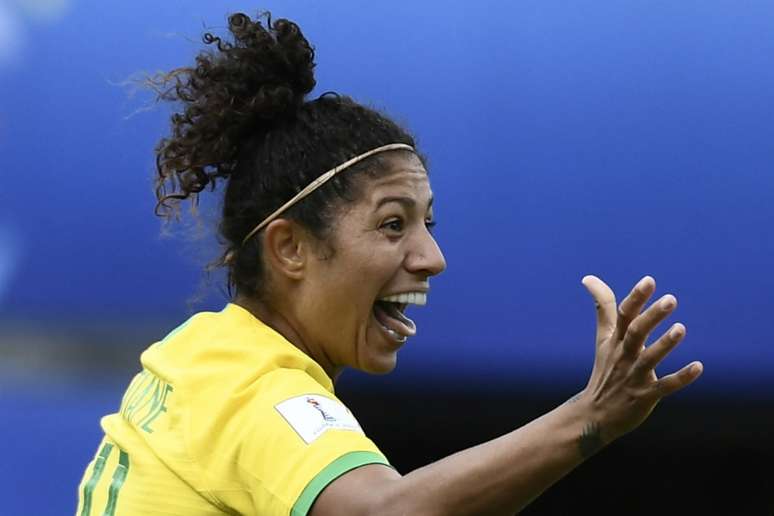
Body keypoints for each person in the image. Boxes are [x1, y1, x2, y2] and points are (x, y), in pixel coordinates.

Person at [75, 11, 703, 516]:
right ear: (289, 247)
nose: (432, 258)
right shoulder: (257, 392)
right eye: (393, 224)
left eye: (428, 223)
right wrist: (590, 416)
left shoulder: (199, 355)